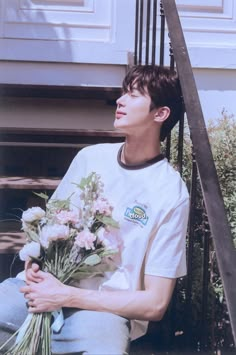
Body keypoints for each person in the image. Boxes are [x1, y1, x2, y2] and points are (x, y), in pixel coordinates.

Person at [0, 65, 189, 355]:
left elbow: (155, 303)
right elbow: (45, 236)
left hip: (101, 313)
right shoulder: (90, 158)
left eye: (134, 95)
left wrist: (67, 295)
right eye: (123, 92)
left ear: (160, 114)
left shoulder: (168, 191)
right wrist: (35, 268)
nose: (120, 100)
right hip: (40, 291)